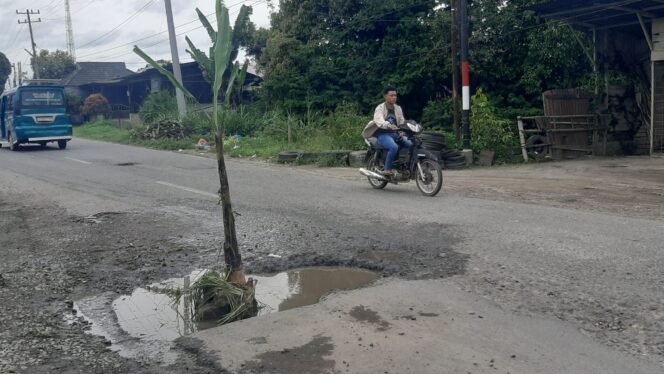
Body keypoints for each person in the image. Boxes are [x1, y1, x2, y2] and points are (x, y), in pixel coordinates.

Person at [369, 87, 413, 176]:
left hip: (396, 133)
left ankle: (404, 166)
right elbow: (378, 120)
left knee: (411, 144)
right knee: (394, 147)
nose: (394, 97)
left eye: (395, 95)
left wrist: (406, 128)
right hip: (383, 134)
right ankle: (387, 169)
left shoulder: (398, 108)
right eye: (391, 95)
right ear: (385, 97)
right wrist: (388, 125)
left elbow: (401, 121)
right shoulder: (380, 108)